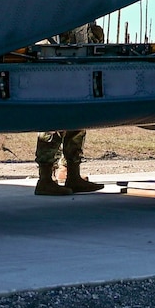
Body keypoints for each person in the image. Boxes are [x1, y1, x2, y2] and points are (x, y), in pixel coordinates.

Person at [35, 21, 105, 195]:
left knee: (78, 118)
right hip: (55, 62)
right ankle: (44, 180)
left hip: (79, 62)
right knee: (53, 120)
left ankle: (73, 175)